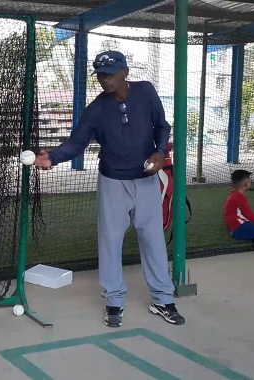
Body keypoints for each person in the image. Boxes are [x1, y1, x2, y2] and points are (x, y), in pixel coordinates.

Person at [34, 50, 184, 328]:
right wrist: (52, 157)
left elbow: (162, 126)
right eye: (101, 75)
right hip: (113, 182)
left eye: (111, 73)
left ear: (125, 72)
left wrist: (161, 153)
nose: (106, 80)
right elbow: (76, 143)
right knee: (110, 243)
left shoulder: (146, 92)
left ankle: (162, 299)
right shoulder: (97, 109)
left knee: (153, 240)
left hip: (148, 180)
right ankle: (114, 302)